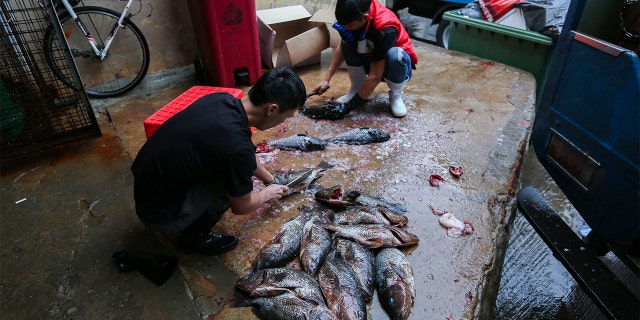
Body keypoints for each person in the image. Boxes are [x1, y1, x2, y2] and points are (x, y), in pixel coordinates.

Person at [131, 67, 307, 256]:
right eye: (286, 117)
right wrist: (267, 194)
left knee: (232, 166)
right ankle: (195, 237)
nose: (283, 122)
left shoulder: (221, 100)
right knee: (231, 183)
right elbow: (242, 206)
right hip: (159, 215)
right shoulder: (235, 147)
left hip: (146, 189)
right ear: (272, 109)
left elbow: (243, 153)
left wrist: (270, 178)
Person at [313, 0, 418, 118]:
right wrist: (326, 80)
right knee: (346, 43)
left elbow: (375, 77)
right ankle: (356, 88)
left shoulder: (385, 28)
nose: (346, 28)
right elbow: (342, 46)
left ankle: (396, 95)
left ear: (365, 17)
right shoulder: (356, 14)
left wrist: (348, 107)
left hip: (395, 68)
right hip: (372, 57)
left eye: (349, 25)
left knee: (395, 55)